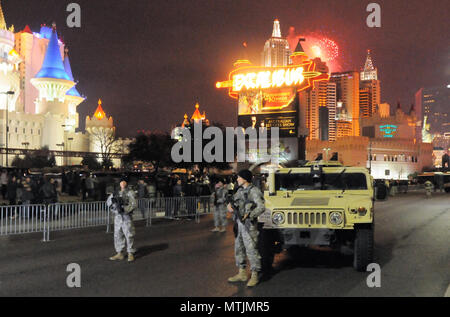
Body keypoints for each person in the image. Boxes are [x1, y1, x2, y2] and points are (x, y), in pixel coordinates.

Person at [227, 169, 265, 287]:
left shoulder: (254, 191)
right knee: (239, 248)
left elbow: (261, 207)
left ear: (244, 178)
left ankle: (254, 274)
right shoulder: (240, 191)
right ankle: (242, 273)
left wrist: (250, 215)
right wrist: (230, 207)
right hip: (239, 224)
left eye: (239, 177)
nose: (237, 179)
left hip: (249, 225)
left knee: (251, 249)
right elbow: (233, 202)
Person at [107, 179, 137, 262]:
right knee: (117, 235)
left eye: (124, 182)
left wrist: (125, 209)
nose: (123, 184)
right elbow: (109, 202)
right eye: (121, 182)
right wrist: (114, 208)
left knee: (129, 235)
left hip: (126, 217)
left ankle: (130, 252)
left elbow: (134, 204)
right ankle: (119, 253)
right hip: (118, 217)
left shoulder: (130, 192)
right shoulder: (115, 193)